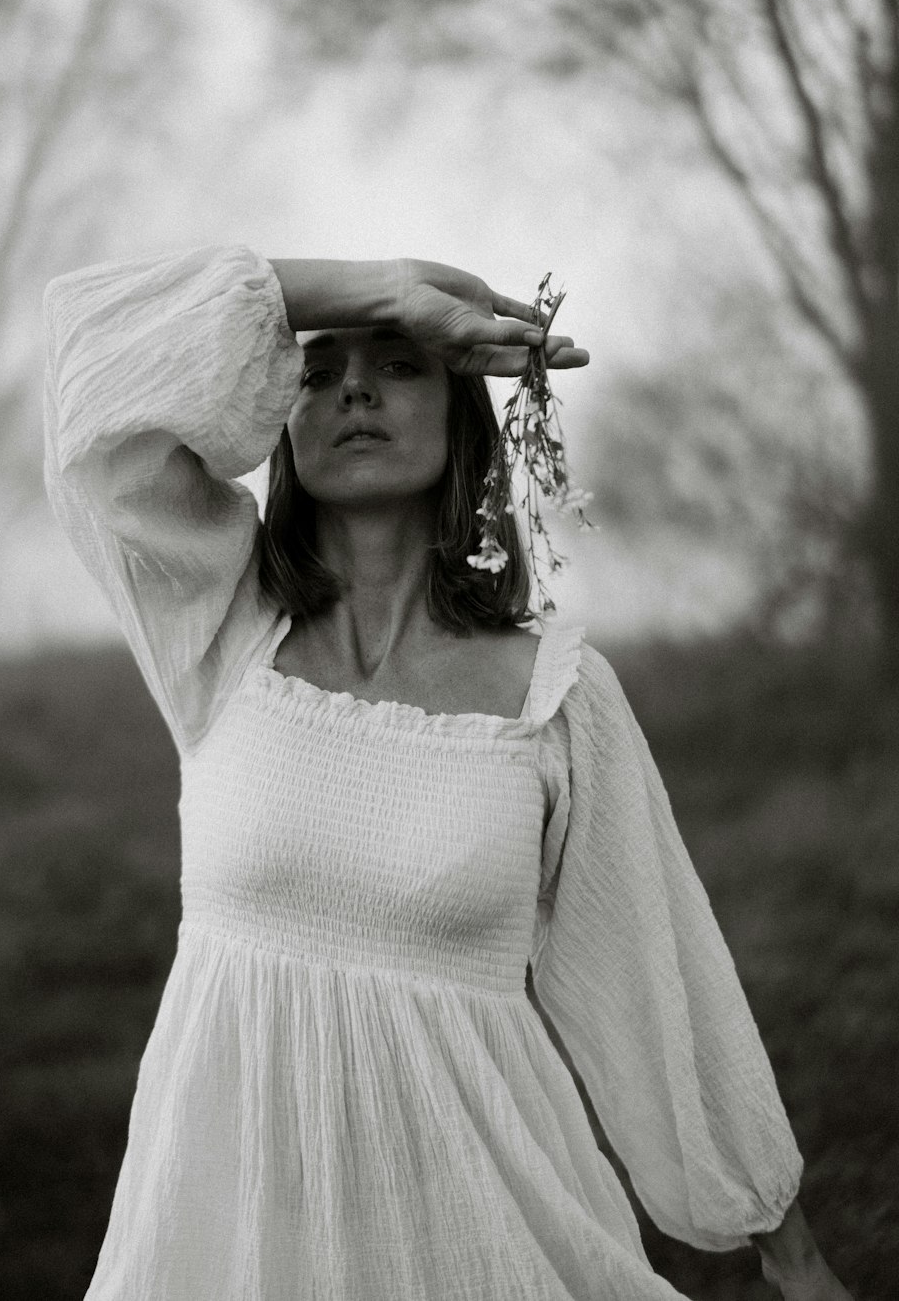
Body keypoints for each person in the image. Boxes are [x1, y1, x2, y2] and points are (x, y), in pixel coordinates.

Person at [43, 247, 853, 1300]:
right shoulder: (212, 632)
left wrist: (790, 1257)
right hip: (229, 1242)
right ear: (274, 412)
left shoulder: (555, 696)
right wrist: (382, 287)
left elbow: (657, 977)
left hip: (481, 1235)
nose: (357, 390)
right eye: (319, 369)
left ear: (463, 413)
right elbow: (92, 345)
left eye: (401, 363)